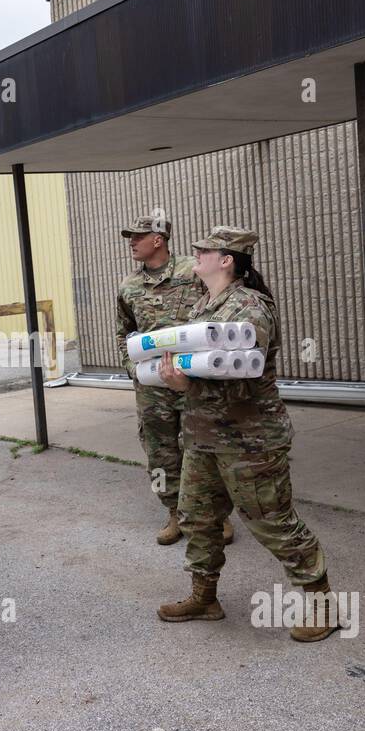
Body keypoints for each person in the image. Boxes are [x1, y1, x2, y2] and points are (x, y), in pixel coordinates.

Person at [155, 226, 337, 641]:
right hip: (204, 436)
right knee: (198, 518)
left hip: (249, 439)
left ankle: (322, 603)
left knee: (272, 521)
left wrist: (185, 385)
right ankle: (205, 597)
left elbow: (243, 381)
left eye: (204, 250)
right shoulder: (205, 305)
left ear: (227, 260)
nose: (195, 254)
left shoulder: (249, 308)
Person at [116, 215, 235, 547]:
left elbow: (219, 310)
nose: (131, 242)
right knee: (160, 452)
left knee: (204, 445)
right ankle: (175, 513)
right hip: (153, 386)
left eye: (137, 236)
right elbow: (123, 332)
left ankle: (217, 516)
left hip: (193, 377)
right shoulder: (128, 285)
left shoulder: (192, 272)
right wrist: (131, 368)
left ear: (158, 239)